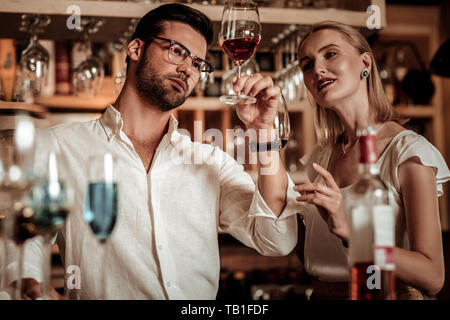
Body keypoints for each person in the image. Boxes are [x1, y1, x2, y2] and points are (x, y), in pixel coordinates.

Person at [7, 4, 298, 299]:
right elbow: (26, 237)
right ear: (136, 49)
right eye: (177, 51)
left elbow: (276, 239)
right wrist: (30, 283)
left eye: (198, 63)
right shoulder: (59, 147)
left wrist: (263, 129)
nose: (188, 69)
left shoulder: (211, 161)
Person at [293, 21, 450, 300]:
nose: (317, 69)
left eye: (330, 54)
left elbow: (432, 277)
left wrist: (354, 234)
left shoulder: (408, 152)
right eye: (307, 65)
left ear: (365, 62)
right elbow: (314, 254)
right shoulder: (320, 157)